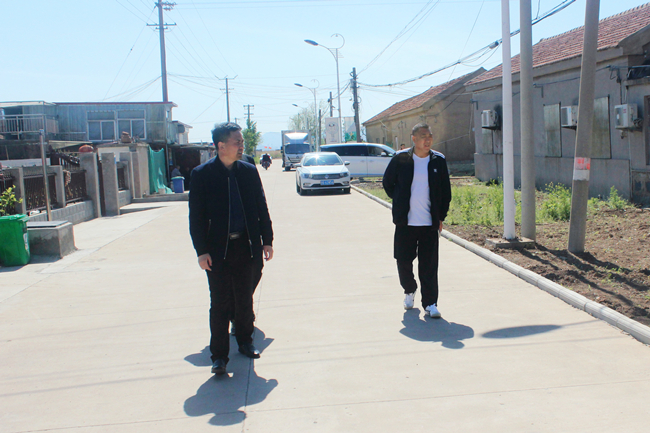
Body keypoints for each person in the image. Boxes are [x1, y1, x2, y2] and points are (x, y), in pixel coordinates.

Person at [189, 122, 274, 375]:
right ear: (221, 145)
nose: (241, 146)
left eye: (242, 142)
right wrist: (201, 251)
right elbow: (196, 217)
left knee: (245, 298)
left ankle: (246, 342)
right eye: (237, 142)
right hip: (217, 251)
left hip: (246, 245)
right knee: (220, 303)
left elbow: (261, 206)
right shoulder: (202, 175)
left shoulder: (248, 171)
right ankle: (219, 356)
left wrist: (267, 239)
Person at [382, 123, 451, 318]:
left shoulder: (438, 161)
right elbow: (387, 183)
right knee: (403, 260)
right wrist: (400, 201)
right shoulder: (401, 159)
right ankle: (409, 290)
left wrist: (440, 217)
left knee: (429, 265)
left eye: (430, 136)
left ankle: (430, 303)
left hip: (429, 224)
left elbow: (446, 192)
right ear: (413, 138)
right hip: (405, 222)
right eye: (423, 136)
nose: (427, 140)